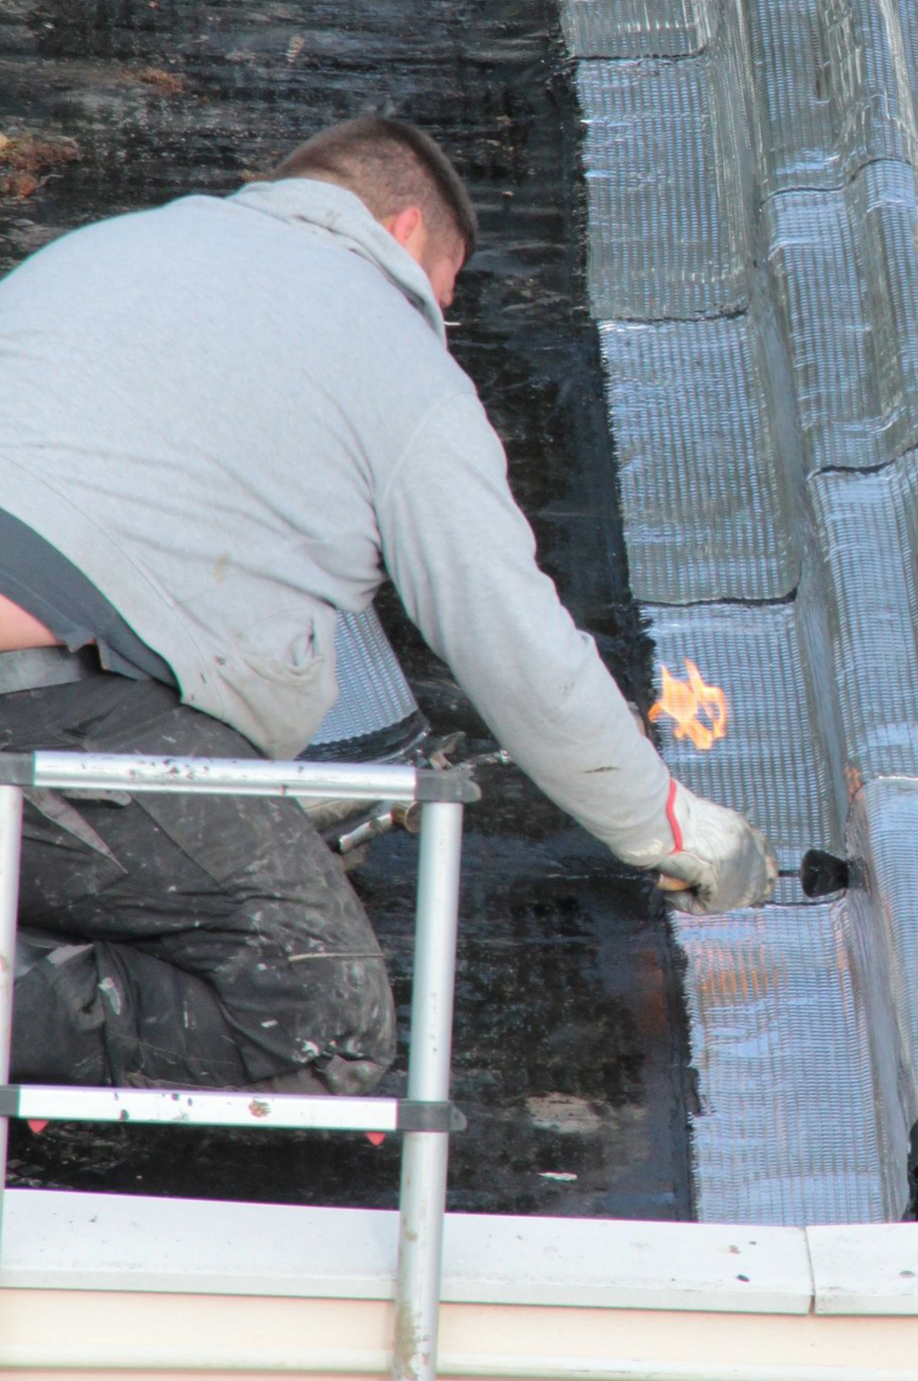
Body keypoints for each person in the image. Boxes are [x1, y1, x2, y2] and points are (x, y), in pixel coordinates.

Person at [0, 116, 775, 1096]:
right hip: (39, 703)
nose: (438, 318)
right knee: (316, 1021)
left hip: (51, 682)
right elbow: (514, 642)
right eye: (443, 292)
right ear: (403, 230)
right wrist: (668, 825)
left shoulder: (110, 253)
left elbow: (179, 577)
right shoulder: (392, 351)